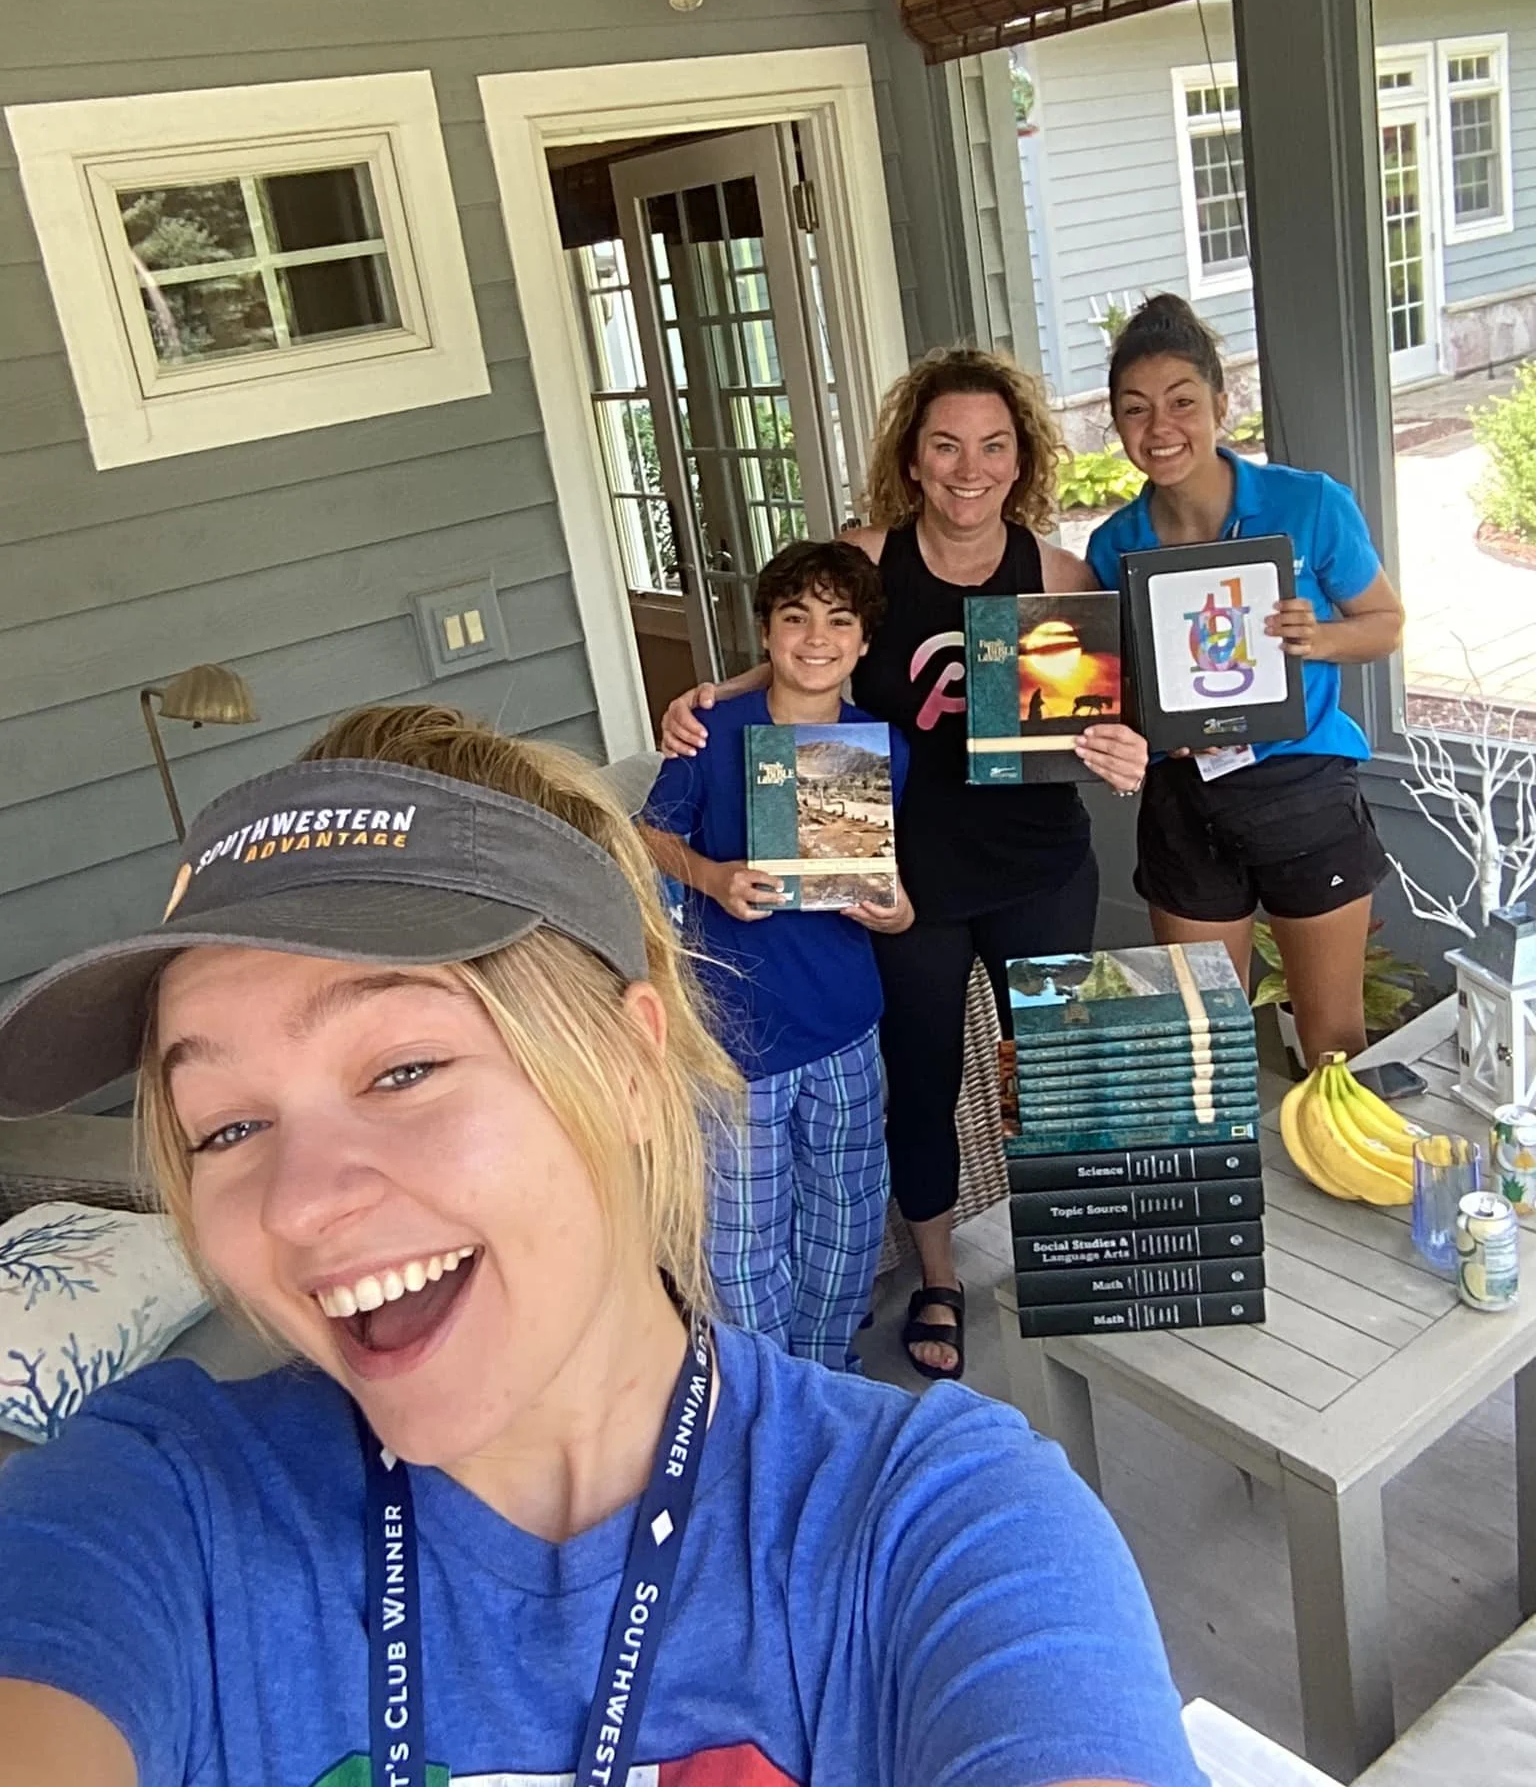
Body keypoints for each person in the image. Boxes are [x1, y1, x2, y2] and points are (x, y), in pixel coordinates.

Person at [0, 704, 1206, 1787]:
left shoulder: (938, 1527)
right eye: (226, 1125)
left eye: (403, 1068)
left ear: (631, 1063)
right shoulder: (155, 1505)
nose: (297, 1203)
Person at [661, 350, 1148, 1382]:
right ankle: (939, 1276)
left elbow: (1112, 711)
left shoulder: (1062, 576)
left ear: (1022, 459)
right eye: (946, 445)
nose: (970, 469)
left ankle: (1075, 1260)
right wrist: (708, 697)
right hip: (893, 878)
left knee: (1059, 1077)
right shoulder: (868, 557)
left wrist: (1126, 748)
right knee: (919, 1087)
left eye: (994, 446)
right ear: (913, 459)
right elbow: (808, 651)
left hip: (1038, 864)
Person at [1088, 295, 1404, 1066]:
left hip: (1302, 789)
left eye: (1182, 402)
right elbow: (1117, 688)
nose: (1160, 428)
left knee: (1332, 1044)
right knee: (1208, 1048)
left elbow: (1385, 623)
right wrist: (1134, 732)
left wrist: (1318, 637)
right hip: (1183, 800)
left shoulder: (1308, 503)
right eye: (1135, 410)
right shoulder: (1112, 545)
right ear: (1117, 424)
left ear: (1221, 405)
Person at [640, 540, 912, 1371]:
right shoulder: (712, 732)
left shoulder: (879, 748)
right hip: (736, 1033)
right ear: (766, 632)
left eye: (839, 621)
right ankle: (769, 1386)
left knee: (848, 1213)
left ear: (864, 641)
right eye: (796, 618)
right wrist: (712, 877)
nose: (816, 638)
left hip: (844, 1023)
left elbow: (891, 891)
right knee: (741, 1233)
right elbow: (648, 835)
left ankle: (826, 1372)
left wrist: (895, 913)